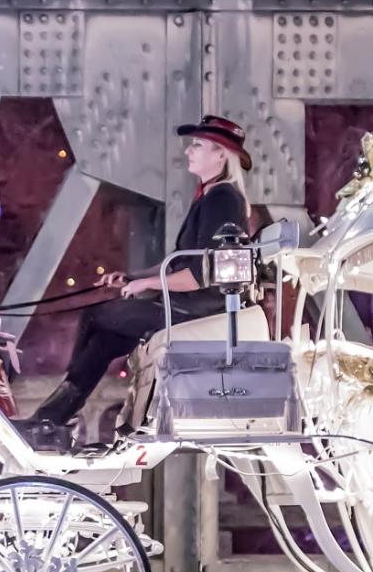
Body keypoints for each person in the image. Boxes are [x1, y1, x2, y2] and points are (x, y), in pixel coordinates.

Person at [19, 115, 254, 447]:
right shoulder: (211, 196)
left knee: (100, 317)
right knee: (105, 331)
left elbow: (202, 276)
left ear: (221, 155)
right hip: (188, 303)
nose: (189, 151)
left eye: (198, 145)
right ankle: (55, 418)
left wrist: (146, 286)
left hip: (199, 309)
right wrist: (134, 277)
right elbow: (180, 261)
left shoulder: (222, 200)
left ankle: (57, 416)